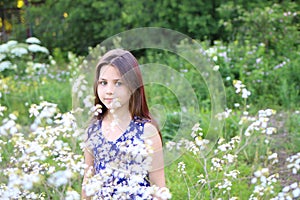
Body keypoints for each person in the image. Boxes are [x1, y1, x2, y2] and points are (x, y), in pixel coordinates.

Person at [81, 49, 166, 199]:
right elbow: (88, 185)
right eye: (103, 83)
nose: (109, 91)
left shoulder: (146, 131)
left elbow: (158, 190)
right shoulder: (93, 130)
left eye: (118, 83)